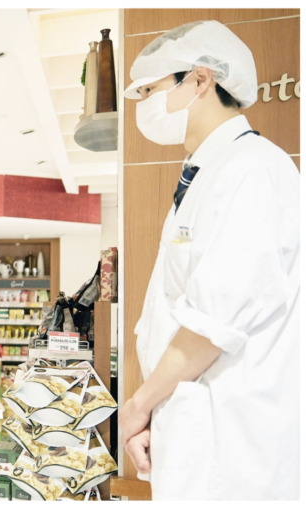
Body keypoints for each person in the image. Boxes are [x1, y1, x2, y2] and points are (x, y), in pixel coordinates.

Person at [119, 20, 299, 501]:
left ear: (201, 79)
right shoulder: (208, 172)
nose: (143, 105)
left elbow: (210, 324)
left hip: (233, 445)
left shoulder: (252, 170)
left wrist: (137, 406)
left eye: (150, 90)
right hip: (194, 429)